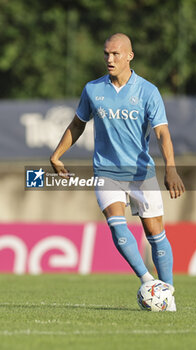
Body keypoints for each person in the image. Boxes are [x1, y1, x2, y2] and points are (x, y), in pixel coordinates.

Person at [50, 33, 185, 311]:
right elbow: (77, 125)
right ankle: (148, 281)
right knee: (115, 221)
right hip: (105, 170)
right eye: (106, 54)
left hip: (141, 172)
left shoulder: (148, 91)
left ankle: (167, 293)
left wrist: (170, 169)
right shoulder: (92, 90)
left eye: (115, 54)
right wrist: (57, 154)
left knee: (155, 232)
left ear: (129, 56)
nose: (109, 59)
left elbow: (162, 133)